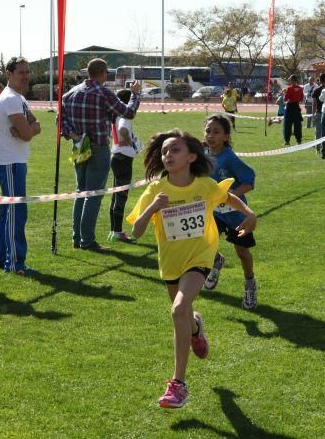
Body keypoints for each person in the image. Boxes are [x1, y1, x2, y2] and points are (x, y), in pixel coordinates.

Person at [127, 130, 256, 409]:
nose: (167, 155)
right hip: (171, 263)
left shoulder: (204, 185)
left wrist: (250, 215)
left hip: (201, 257)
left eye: (174, 150)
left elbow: (228, 198)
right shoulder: (155, 191)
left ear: (191, 156)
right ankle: (196, 328)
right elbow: (135, 232)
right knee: (183, 314)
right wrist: (151, 209)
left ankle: (178, 385)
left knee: (178, 309)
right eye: (164, 151)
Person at [60, 58, 141, 251]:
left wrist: (74, 135)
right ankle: (87, 240)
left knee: (81, 192)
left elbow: (60, 122)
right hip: (98, 148)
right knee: (93, 195)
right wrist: (135, 95)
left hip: (79, 146)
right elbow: (128, 113)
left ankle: (77, 237)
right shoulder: (103, 93)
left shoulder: (69, 94)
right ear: (104, 73)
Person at [0, 56, 41, 275]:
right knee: (16, 213)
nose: (26, 76)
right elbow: (29, 133)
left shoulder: (19, 98)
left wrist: (30, 128)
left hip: (13, 161)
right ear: (8, 74)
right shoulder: (11, 99)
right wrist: (28, 129)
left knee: (8, 212)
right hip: (10, 162)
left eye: (27, 72)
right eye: (21, 72)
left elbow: (35, 125)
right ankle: (14, 263)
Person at [202, 115, 258, 309]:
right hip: (214, 212)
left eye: (216, 132)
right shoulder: (203, 154)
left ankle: (250, 284)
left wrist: (230, 195)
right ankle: (216, 260)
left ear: (226, 136)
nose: (211, 135)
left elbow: (249, 181)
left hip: (236, 214)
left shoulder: (229, 158)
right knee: (204, 241)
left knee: (242, 251)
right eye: (208, 131)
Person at [108, 88, 141, 243]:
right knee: (121, 196)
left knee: (116, 195)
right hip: (123, 158)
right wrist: (130, 142)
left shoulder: (115, 115)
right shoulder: (124, 116)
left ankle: (114, 230)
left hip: (117, 156)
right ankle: (117, 232)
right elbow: (122, 129)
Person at [282, 75, 303, 145]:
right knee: (298, 125)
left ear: (293, 80)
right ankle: (299, 140)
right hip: (296, 107)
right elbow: (301, 98)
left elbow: (285, 99)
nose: (289, 81)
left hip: (290, 107)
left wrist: (284, 93)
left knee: (287, 125)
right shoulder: (300, 88)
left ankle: (287, 141)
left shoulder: (289, 88)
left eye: (290, 79)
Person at [311, 73, 325, 153]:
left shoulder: (316, 90)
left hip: (319, 112)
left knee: (318, 131)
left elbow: (314, 103)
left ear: (319, 80)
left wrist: (313, 114)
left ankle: (318, 148)